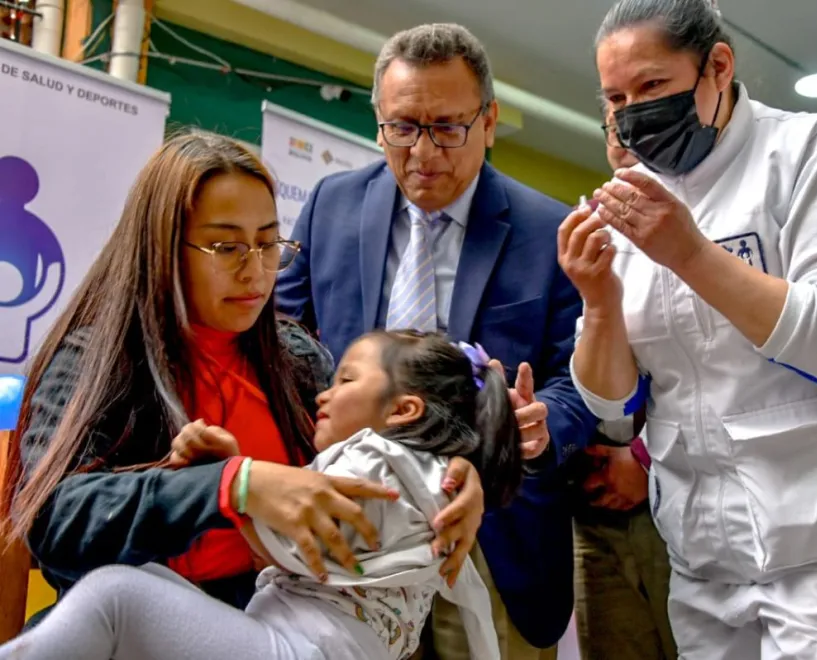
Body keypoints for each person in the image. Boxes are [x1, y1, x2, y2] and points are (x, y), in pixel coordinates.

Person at [558, 0, 817, 657]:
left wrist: (691, 255)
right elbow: (615, 412)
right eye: (616, 97)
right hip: (707, 557)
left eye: (652, 87)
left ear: (718, 66)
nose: (632, 112)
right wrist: (600, 303)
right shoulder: (627, 200)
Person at [0, 131, 484, 620]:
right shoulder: (95, 360)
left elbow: (380, 458)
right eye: (226, 247)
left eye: (268, 243)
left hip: (283, 628)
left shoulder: (297, 360)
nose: (256, 272)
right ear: (162, 247)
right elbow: (53, 519)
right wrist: (232, 484)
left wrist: (451, 479)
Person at [276, 23, 599, 659]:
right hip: (351, 521)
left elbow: (581, 381)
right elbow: (282, 342)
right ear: (378, 122)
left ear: (489, 120)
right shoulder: (331, 206)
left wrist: (541, 421)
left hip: (491, 533)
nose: (424, 152)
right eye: (404, 127)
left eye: (448, 127)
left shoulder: (549, 230)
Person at [0, 330, 523, 660]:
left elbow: (291, 540)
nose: (325, 391)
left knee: (116, 596)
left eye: (345, 380)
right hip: (296, 641)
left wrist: (232, 481)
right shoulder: (424, 476)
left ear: (402, 411)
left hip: (299, 650)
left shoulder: (373, 461)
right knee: (139, 581)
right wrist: (227, 481)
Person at [568, 109, 677, 660]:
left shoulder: (706, 229)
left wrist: (644, 460)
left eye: (644, 118)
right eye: (614, 127)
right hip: (595, 511)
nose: (629, 139)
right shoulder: (585, 227)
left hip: (678, 506)